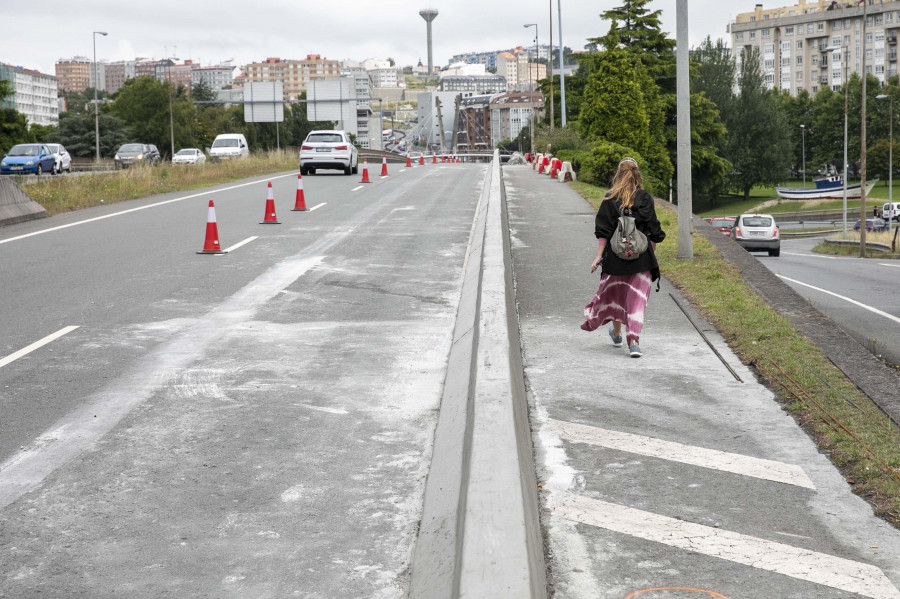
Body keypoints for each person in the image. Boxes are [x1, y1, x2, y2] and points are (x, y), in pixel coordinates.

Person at [581, 157, 666, 358]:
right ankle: (633, 341)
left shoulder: (610, 199)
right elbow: (654, 231)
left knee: (616, 296)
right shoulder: (645, 198)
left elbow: (603, 232)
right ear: (638, 176)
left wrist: (598, 256)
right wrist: (651, 254)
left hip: (615, 260)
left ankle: (618, 333)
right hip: (642, 259)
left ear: (617, 176)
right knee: (636, 300)